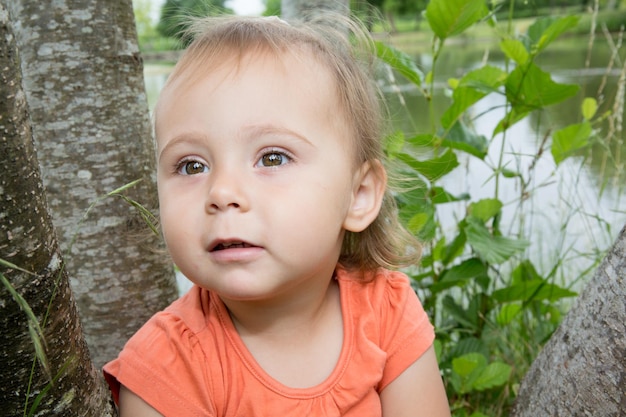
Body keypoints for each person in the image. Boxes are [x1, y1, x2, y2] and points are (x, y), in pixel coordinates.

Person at [103, 13, 450, 417]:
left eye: (271, 157)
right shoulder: (164, 370)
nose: (222, 192)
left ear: (358, 196)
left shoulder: (386, 312)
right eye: (192, 166)